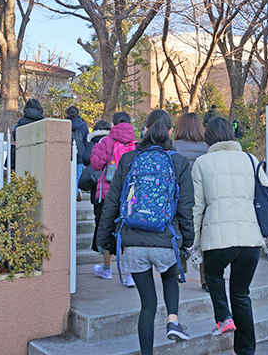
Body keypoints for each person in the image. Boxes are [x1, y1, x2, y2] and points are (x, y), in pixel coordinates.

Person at [96, 109, 195, 354]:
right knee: (170, 277)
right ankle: (173, 319)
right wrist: (188, 241)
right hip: (165, 240)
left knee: (147, 305)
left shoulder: (129, 159)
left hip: (134, 243)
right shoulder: (178, 162)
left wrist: (103, 239)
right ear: (170, 131)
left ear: (145, 129)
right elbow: (185, 207)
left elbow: (112, 202)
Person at [191, 117, 268, 355]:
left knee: (212, 274)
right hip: (249, 240)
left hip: (217, 239)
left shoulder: (202, 163)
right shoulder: (250, 160)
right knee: (241, 294)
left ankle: (223, 317)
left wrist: (193, 242)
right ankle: (245, 350)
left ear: (207, 137)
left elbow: (197, 207)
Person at [90, 111, 137, 286]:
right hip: (130, 196)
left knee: (109, 229)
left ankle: (107, 269)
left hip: (108, 194)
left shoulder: (106, 141)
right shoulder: (135, 144)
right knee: (129, 232)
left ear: (113, 124)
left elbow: (95, 164)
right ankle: (130, 275)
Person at [172, 112, 209, 291]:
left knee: (179, 232)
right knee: (204, 237)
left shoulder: (173, 147)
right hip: (203, 198)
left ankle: (180, 270)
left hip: (181, 199)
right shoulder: (208, 147)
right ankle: (206, 278)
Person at [82, 120, 112, 254]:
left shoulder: (92, 141)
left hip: (96, 183)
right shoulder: (112, 141)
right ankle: (105, 245)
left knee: (97, 215)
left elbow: (86, 158)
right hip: (109, 182)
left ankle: (98, 244)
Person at [9, 98, 44, 170]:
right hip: (38, 152)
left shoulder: (22, 121)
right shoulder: (42, 121)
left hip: (23, 152)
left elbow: (16, 137)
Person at [66, 105, 89, 201]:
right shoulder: (83, 125)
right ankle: (74, 196)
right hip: (80, 155)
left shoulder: (64, 124)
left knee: (66, 178)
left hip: (66, 155)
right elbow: (86, 140)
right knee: (77, 178)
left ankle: (68, 198)